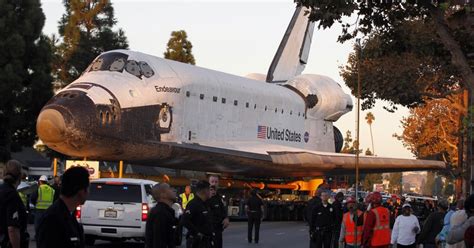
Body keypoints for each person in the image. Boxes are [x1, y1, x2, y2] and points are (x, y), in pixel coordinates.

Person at [36, 166, 90, 248]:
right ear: (81, 191)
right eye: (88, 188)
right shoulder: (52, 220)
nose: (89, 193)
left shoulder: (70, 216)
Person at [0, 160, 29, 248]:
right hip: (6, 243)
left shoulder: (2, 190)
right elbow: (12, 228)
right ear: (20, 176)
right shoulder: (12, 195)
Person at [145, 183, 178, 248]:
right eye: (170, 188)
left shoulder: (166, 211)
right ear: (163, 195)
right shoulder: (160, 213)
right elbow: (159, 241)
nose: (174, 190)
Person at [181, 180, 213, 248]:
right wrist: (197, 233)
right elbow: (184, 220)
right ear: (204, 191)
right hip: (197, 242)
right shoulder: (193, 204)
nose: (210, 192)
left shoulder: (205, 204)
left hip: (206, 241)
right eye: (209, 190)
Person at [207, 175, 229, 248]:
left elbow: (223, 209)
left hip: (218, 230)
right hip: (208, 230)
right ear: (208, 183)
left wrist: (226, 218)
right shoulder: (205, 197)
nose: (214, 184)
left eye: (216, 182)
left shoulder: (219, 197)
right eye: (212, 181)